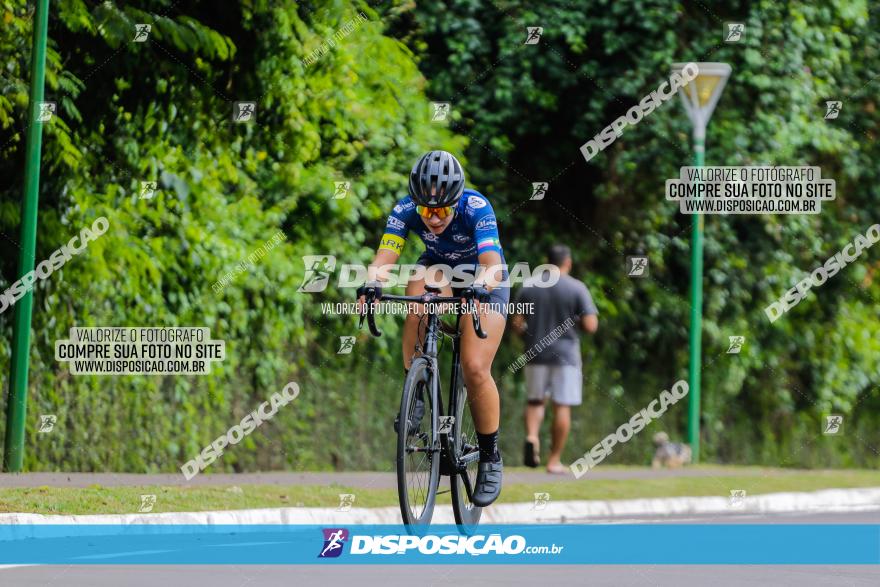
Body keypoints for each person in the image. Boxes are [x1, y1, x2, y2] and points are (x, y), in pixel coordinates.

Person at [357, 150, 509, 506]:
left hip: (483, 278)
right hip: (438, 269)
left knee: (474, 367)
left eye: (442, 210)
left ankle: (490, 457)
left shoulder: (477, 207)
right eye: (426, 210)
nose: (434, 218)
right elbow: (385, 256)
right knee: (418, 300)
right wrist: (372, 282)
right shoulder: (405, 208)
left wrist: (480, 287)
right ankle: (419, 381)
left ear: (457, 201)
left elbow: (492, 265)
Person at [512, 245, 598, 474]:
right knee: (562, 406)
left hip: (535, 352)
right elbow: (590, 324)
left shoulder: (529, 286)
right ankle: (553, 460)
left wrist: (527, 335)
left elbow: (517, 324)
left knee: (535, 401)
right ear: (567, 262)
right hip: (566, 356)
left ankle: (532, 436)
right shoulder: (577, 288)